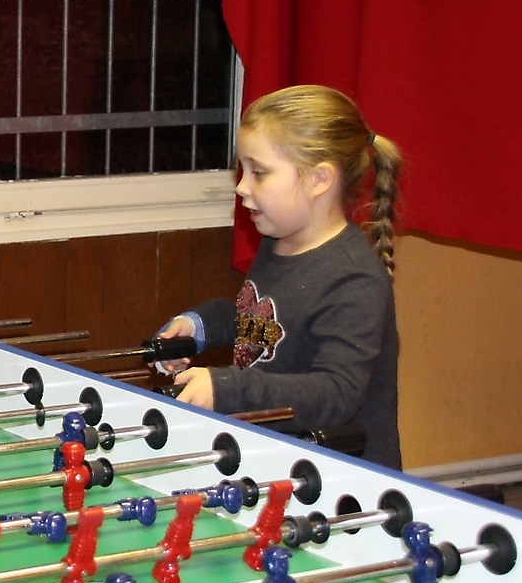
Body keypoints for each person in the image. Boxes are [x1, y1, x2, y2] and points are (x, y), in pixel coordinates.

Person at [155, 84, 404, 468]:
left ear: (319, 179)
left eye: (259, 172)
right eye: (243, 170)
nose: (242, 187)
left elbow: (335, 394)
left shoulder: (355, 279)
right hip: (278, 461)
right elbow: (265, 326)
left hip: (339, 481)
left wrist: (227, 389)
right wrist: (199, 326)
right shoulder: (278, 243)